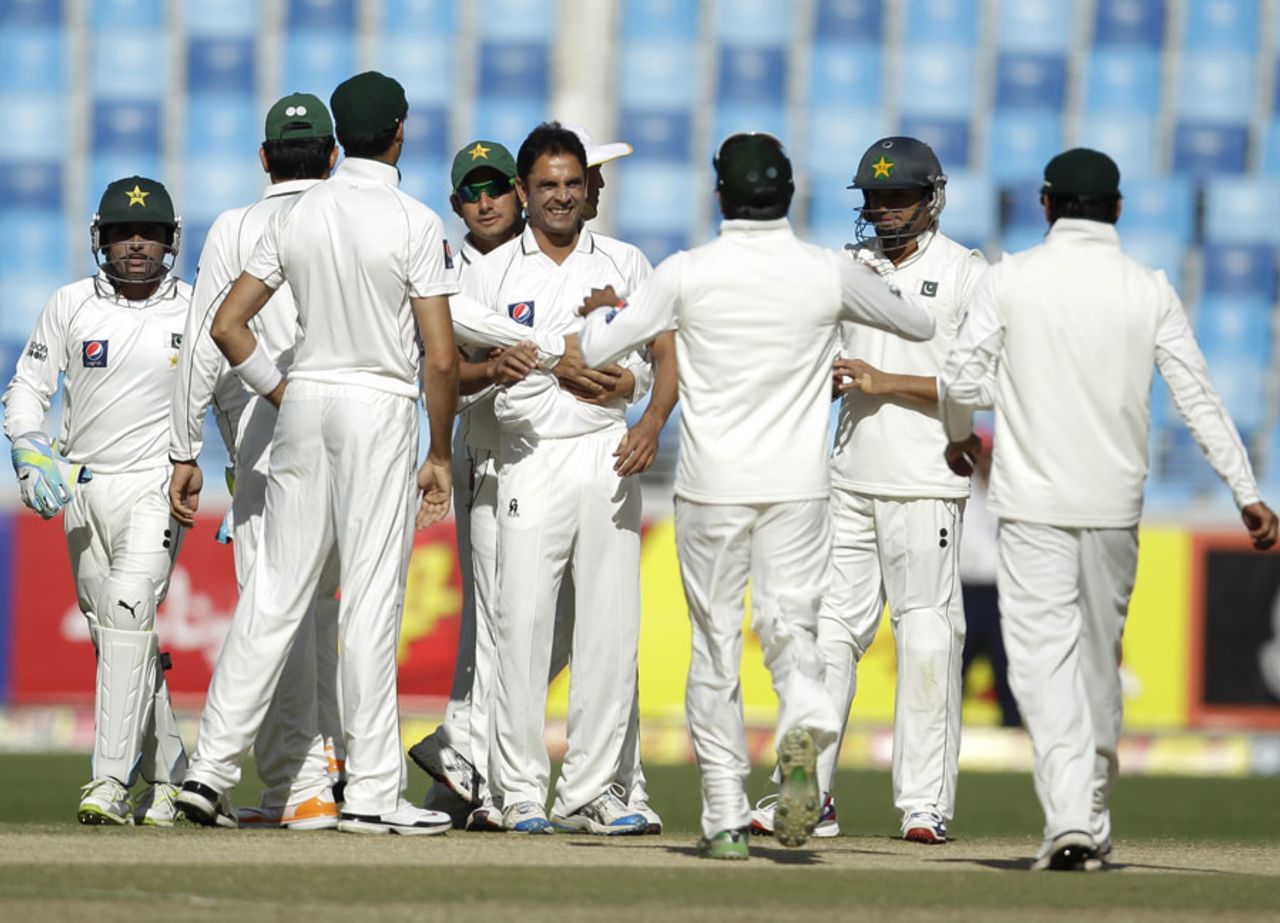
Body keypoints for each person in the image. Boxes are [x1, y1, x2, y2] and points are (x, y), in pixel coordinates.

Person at [174, 72, 571, 835]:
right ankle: (370, 792)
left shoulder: (295, 213)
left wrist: (282, 391)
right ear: (397, 131)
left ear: (337, 138)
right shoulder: (413, 220)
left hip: (307, 399)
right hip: (379, 407)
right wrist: (437, 451)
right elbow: (442, 352)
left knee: (272, 594)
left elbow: (227, 326)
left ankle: (208, 770)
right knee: (369, 598)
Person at [578, 132, 936, 859]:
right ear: (790, 196)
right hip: (799, 489)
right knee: (790, 632)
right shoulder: (826, 271)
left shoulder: (687, 272)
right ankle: (804, 726)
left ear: (719, 196)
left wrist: (599, 310)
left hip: (712, 487)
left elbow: (594, 351)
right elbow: (920, 323)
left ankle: (723, 815)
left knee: (714, 645)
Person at [938, 147, 1279, 871]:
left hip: (1031, 505)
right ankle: (1083, 818)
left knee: (1041, 666)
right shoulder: (1147, 287)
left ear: (1046, 205)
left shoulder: (1011, 279)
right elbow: (1197, 393)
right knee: (1096, 665)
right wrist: (1244, 488)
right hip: (1115, 506)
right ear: (1117, 209)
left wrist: (962, 438)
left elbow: (959, 375)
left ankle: (1075, 817)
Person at [752, 137, 986, 845]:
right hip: (847, 477)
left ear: (931, 198)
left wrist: (889, 383)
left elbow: (982, 384)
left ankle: (923, 803)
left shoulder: (968, 274)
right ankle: (807, 795)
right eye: (874, 199)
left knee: (925, 636)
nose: (883, 211)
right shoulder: (846, 269)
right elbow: (809, 354)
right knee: (829, 637)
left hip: (925, 482)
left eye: (897, 198)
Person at [464, 122, 660, 835]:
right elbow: (450, 369)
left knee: (610, 631)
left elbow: (654, 358)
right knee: (521, 628)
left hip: (606, 454)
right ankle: (517, 788)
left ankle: (593, 790)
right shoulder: (489, 273)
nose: (561, 197)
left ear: (588, 188)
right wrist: (501, 368)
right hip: (527, 457)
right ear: (523, 191)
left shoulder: (626, 262)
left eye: (573, 184)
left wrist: (629, 388)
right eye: (546, 185)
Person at [167, 93, 344, 830]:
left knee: (277, 610)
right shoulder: (359, 215)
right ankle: (329, 774)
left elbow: (205, 346)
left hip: (268, 437)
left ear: (265, 157)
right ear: (332, 156)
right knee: (339, 612)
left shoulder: (240, 226)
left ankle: (302, 783)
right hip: (365, 432)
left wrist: (183, 448)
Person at [4, 176, 192, 826]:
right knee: (119, 635)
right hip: (84, 488)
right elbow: (27, 383)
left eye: (147, 233)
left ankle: (108, 784)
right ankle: (171, 778)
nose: (135, 244)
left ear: (170, 241)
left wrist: (246, 484)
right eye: (121, 233)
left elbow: (230, 400)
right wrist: (30, 449)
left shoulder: (193, 310)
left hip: (157, 484)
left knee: (127, 606)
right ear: (100, 240)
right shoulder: (69, 304)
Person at [957, 426, 1021, 728]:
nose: (983, 461)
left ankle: (1014, 733)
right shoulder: (958, 489)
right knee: (954, 669)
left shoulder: (1007, 492)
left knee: (1007, 671)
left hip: (999, 594)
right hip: (965, 592)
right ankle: (941, 733)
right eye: (978, 455)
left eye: (987, 455)